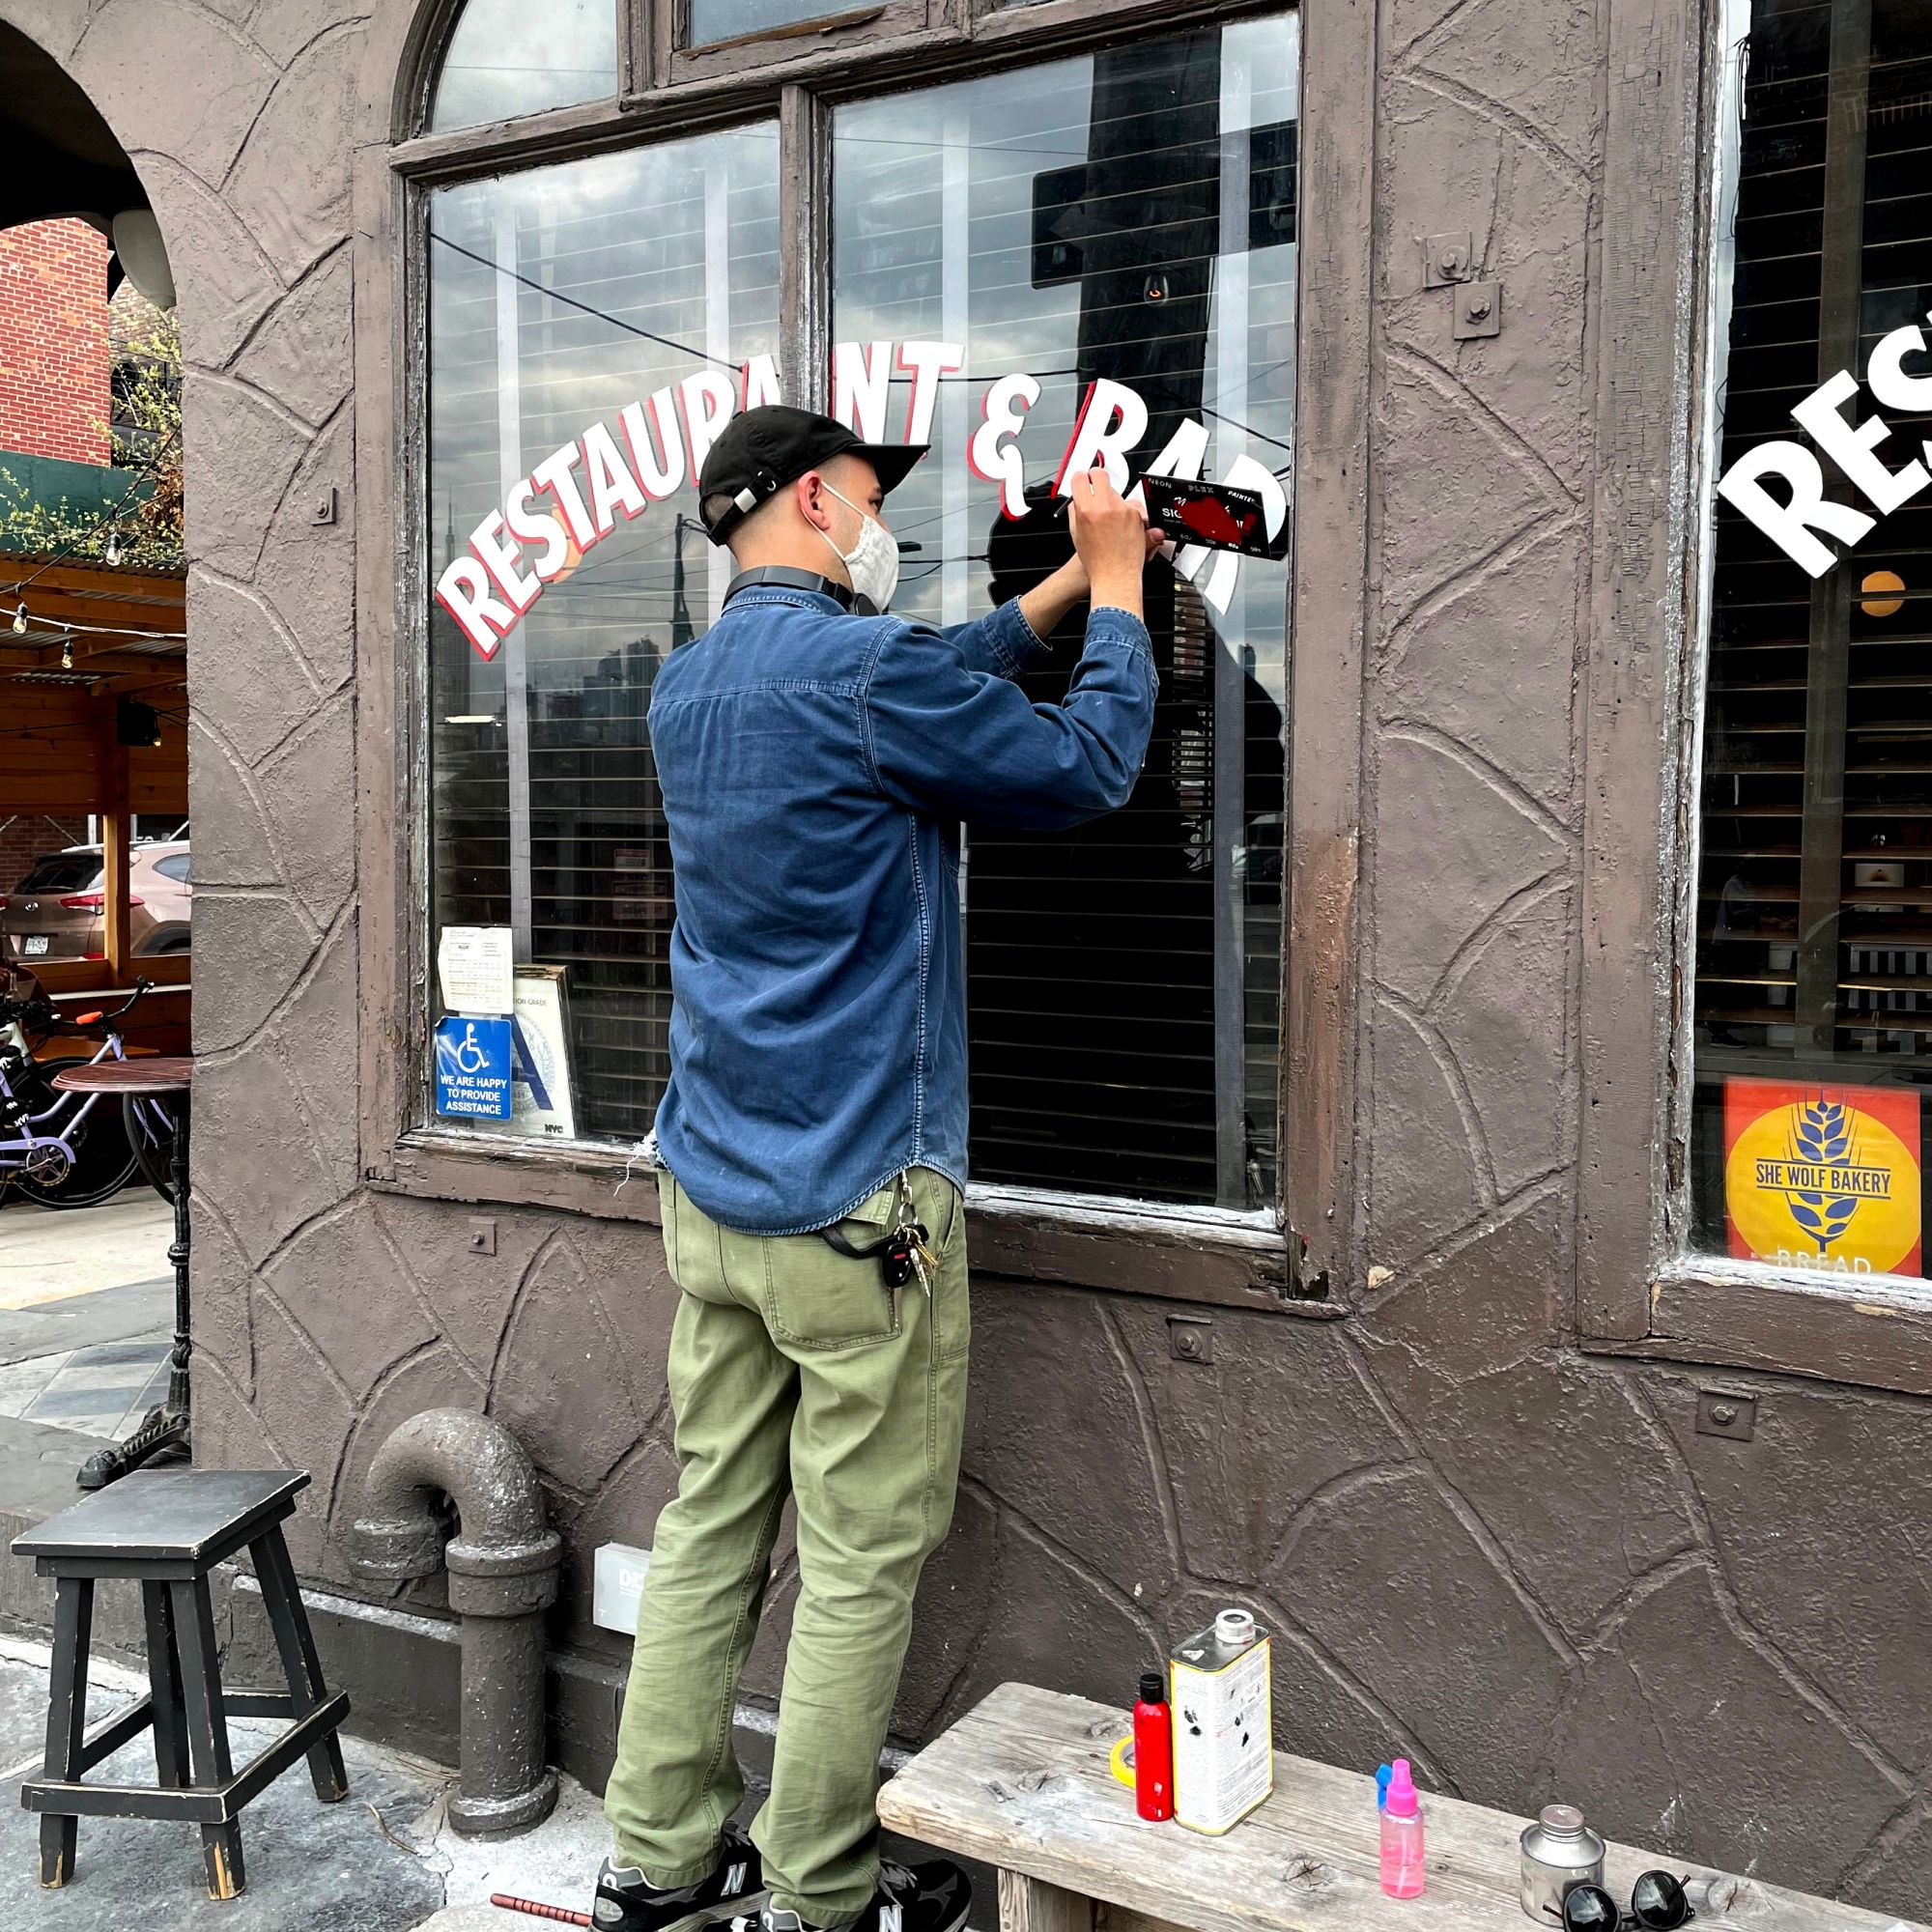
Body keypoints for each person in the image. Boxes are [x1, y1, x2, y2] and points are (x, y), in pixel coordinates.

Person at [594, 405, 1160, 1932]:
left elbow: (926, 689)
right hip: (859, 1209)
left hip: (713, 1192)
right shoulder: (858, 674)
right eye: (862, 494)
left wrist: (1046, 599)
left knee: (712, 1525)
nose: (875, 518)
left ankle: (655, 1858)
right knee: (856, 1560)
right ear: (811, 501)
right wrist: (1116, 592)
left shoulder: (692, 686)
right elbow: (1088, 768)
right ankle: (816, 1891)